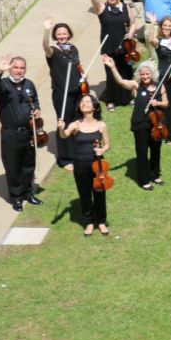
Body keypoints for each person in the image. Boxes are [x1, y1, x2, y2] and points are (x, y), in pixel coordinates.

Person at [102, 56, 167, 191]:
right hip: (141, 124)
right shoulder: (136, 86)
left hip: (156, 125)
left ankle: (155, 175)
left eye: (147, 74)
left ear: (152, 74)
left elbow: (166, 103)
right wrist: (113, 67)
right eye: (142, 74)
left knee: (156, 150)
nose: (144, 76)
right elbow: (120, 82)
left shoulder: (160, 86)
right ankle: (144, 180)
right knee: (142, 152)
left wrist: (158, 103)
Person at [0, 55, 44, 211]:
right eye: (15, 67)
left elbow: (36, 100)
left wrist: (38, 109)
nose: (18, 71)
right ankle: (17, 198)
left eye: (21, 68)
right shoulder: (3, 85)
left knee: (28, 165)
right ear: (10, 69)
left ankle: (28, 193)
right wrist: (0, 70)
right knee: (13, 166)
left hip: (28, 132)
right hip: (10, 134)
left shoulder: (29, 84)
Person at [57, 93, 112, 236]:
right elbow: (64, 135)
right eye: (82, 102)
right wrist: (61, 128)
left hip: (98, 164)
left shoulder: (101, 125)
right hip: (80, 164)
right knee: (84, 194)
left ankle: (101, 221)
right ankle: (88, 222)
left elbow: (107, 145)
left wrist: (102, 150)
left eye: (88, 102)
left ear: (94, 106)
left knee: (100, 193)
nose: (84, 103)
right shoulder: (75, 124)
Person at [90, 0, 136, 110]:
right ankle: (112, 100)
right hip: (109, 46)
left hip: (125, 46)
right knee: (111, 74)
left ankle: (127, 98)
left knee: (126, 71)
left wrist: (131, 33)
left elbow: (133, 22)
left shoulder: (126, 7)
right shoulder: (102, 8)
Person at [41, 18, 83, 135]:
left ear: (69, 34)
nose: (62, 36)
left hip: (77, 90)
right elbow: (45, 47)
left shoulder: (73, 49)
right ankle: (66, 151)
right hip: (62, 93)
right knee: (65, 122)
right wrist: (46, 31)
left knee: (78, 120)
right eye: (59, 34)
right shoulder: (53, 51)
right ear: (55, 36)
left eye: (64, 33)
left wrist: (83, 74)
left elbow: (78, 65)